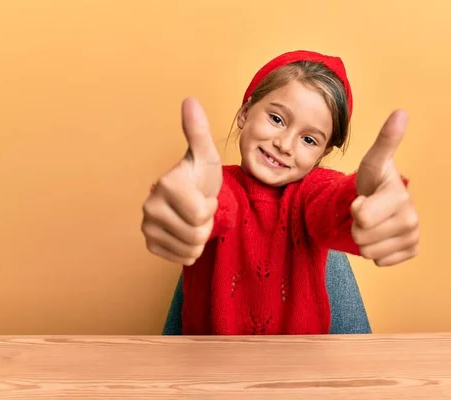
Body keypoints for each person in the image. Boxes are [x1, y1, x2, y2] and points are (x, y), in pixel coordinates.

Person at [141, 50, 419, 335]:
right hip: (210, 373)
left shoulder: (310, 192)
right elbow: (218, 203)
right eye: (277, 119)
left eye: (309, 139)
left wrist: (365, 202)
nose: (285, 144)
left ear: (323, 153)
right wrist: (186, 201)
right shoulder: (220, 185)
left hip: (299, 374)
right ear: (245, 112)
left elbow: (333, 203)